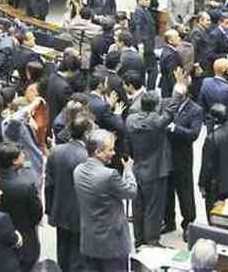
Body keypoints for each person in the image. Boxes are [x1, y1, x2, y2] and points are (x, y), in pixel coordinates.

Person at [74, 129, 137, 272]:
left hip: (89, 241)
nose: (114, 153)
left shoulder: (78, 171)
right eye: (110, 150)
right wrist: (128, 171)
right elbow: (131, 192)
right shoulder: (109, 175)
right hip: (112, 245)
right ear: (97, 152)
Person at [126, 90, 178, 247]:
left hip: (137, 168)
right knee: (153, 209)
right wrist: (177, 89)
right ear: (156, 107)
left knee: (138, 207)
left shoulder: (130, 120)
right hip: (155, 171)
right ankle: (152, 240)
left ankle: (139, 239)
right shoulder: (157, 122)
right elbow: (171, 111)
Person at [46, 115, 92, 271]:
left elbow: (49, 184)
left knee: (63, 250)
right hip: (81, 212)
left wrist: (50, 209)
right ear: (86, 134)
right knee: (78, 255)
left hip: (60, 209)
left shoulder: (55, 151)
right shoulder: (87, 157)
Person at [163, 81, 203, 240]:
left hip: (183, 157)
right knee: (167, 191)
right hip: (167, 155)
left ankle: (188, 224)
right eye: (173, 95)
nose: (174, 99)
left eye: (177, 96)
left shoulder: (195, 110)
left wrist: (175, 128)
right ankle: (169, 221)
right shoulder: (168, 104)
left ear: (185, 96)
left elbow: (194, 134)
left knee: (185, 192)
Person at [0, 142, 43, 272]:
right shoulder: (26, 185)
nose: (23, 155)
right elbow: (37, 212)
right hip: (26, 235)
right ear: (14, 161)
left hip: (1, 237)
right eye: (21, 154)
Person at [199, 104, 228, 216]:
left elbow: (206, 166)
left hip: (215, 186)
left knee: (214, 216)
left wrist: (202, 184)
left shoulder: (211, 138)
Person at [133, 0, 158, 89]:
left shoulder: (145, 9)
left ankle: (146, 89)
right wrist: (140, 44)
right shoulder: (139, 11)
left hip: (149, 44)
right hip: (145, 45)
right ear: (139, 0)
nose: (149, 1)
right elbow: (137, 28)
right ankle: (149, 90)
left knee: (146, 69)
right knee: (152, 70)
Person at [159, 29, 183, 98]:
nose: (179, 38)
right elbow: (171, 75)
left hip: (165, 86)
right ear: (170, 41)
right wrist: (177, 90)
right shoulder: (171, 55)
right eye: (176, 37)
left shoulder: (167, 50)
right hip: (170, 89)